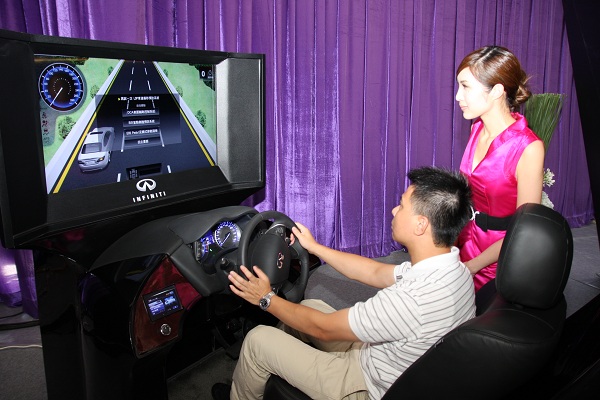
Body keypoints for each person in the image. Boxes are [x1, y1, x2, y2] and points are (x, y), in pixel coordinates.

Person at [211, 166, 476, 400]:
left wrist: (265, 298)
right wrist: (315, 247)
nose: (394, 210)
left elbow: (323, 328)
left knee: (257, 340)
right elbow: (373, 271)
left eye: (402, 205)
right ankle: (260, 376)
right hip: (382, 357)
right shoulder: (453, 269)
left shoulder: (413, 299)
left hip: (368, 386)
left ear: (421, 225)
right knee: (309, 306)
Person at [455, 46, 544, 291]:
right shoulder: (476, 129)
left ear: (496, 90)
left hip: (499, 258)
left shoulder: (528, 147)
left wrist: (473, 266)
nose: (458, 96)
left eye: (465, 86)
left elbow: (525, 228)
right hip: (466, 242)